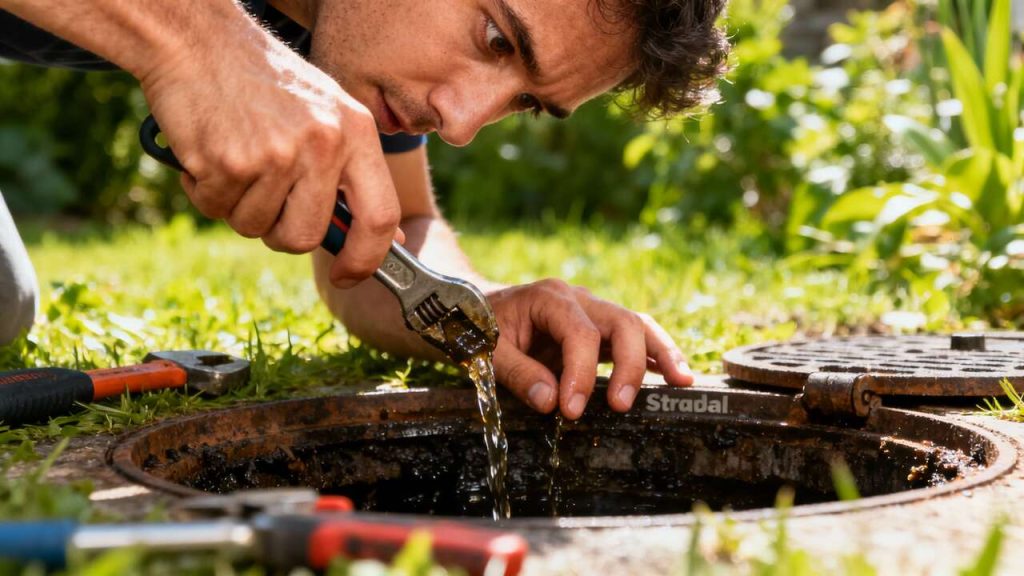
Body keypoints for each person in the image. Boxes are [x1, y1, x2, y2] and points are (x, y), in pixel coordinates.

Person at [0, 0, 729, 419]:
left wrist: (474, 308)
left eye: (527, 103)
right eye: (495, 38)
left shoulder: (356, 36)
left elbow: (400, 224)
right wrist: (199, 39)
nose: (464, 122)